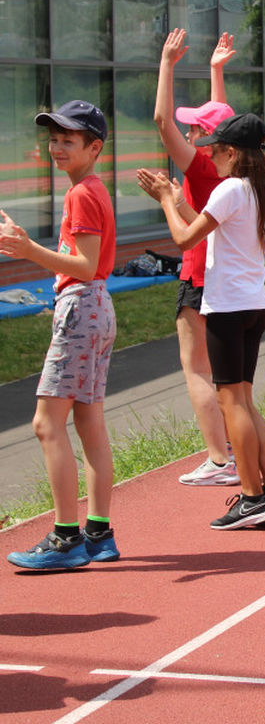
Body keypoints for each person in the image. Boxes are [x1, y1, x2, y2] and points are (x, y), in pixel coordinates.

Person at [137, 114, 265, 530]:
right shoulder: (256, 189)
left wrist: (165, 201)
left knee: (232, 402)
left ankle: (252, 496)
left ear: (231, 152)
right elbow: (209, 228)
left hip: (228, 307)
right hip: (254, 304)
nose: (209, 156)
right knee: (243, 399)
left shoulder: (229, 189)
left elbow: (183, 239)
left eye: (215, 150)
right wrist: (179, 200)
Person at [2, 101, 119, 569]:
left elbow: (85, 266)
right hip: (96, 306)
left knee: (46, 423)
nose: (57, 147)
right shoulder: (91, 189)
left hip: (82, 307)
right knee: (89, 423)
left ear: (94, 147)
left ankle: (66, 538)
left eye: (68, 140)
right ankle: (98, 533)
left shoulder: (82, 194)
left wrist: (28, 249)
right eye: (53, 139)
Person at [153, 28, 239, 487]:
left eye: (195, 129)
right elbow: (221, 119)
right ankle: (234, 451)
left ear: (207, 138)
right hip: (227, 276)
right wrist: (214, 70)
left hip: (199, 272)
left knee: (198, 369)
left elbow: (161, 121)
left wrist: (166, 64)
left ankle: (220, 459)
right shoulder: (234, 163)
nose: (188, 131)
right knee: (226, 372)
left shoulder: (202, 166)